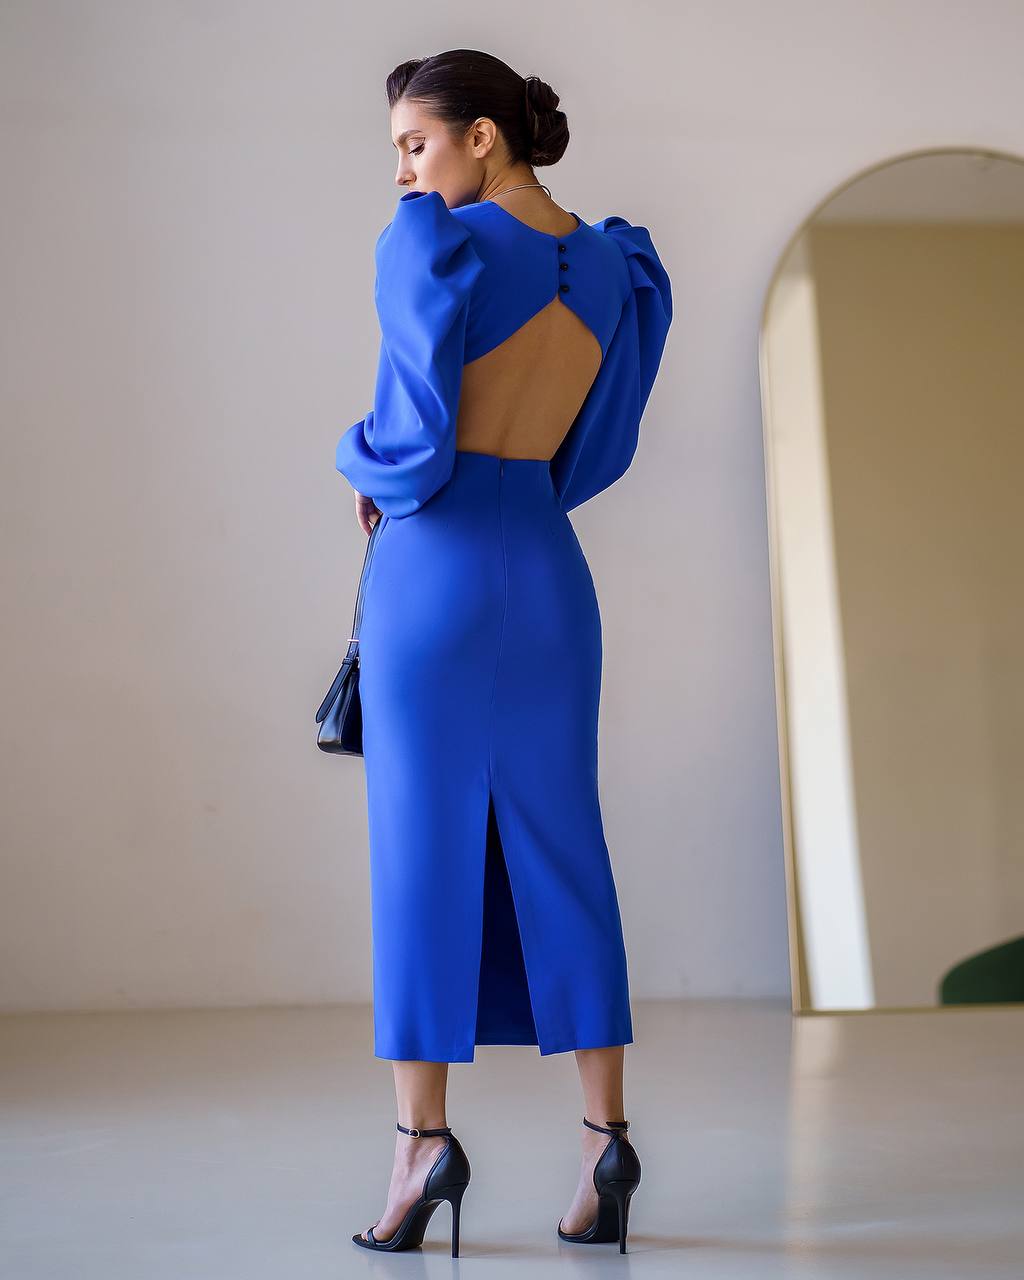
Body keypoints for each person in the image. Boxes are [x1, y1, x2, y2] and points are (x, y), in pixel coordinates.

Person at [334, 48, 672, 1256]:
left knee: (419, 855)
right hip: (544, 570)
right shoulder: (618, 267)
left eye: (414, 145)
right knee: (564, 844)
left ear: (483, 136)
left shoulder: (434, 244)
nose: (404, 173)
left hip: (437, 574)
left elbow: (414, 444)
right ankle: (606, 1138)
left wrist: (355, 464)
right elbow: (595, 448)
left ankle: (421, 1149)